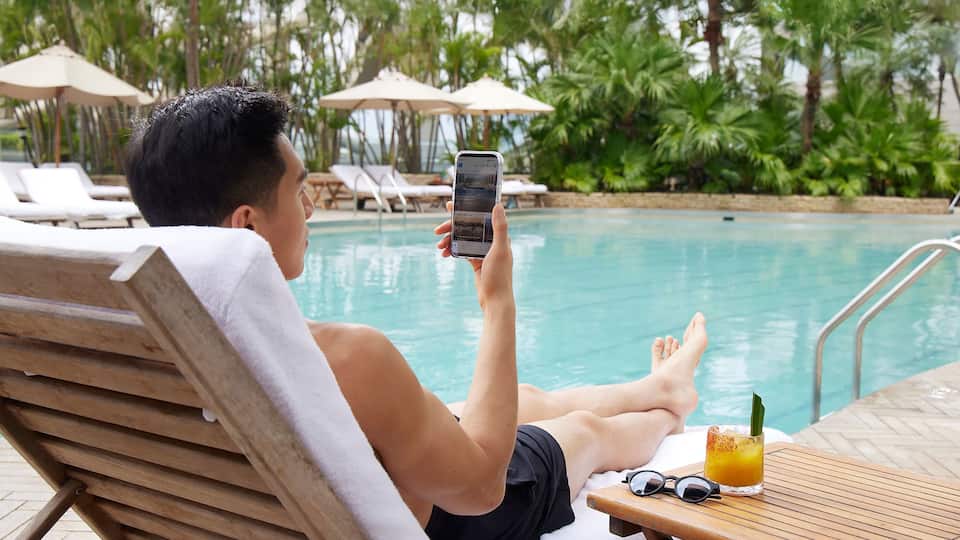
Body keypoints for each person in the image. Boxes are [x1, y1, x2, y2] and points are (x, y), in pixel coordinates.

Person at [125, 83, 708, 539]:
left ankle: (656, 385)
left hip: (347, 486)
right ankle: (669, 412)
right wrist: (498, 300)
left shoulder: (143, 344)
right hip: (461, 516)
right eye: (299, 190)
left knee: (528, 399)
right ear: (248, 224)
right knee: (582, 431)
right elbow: (482, 488)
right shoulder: (348, 358)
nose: (311, 209)